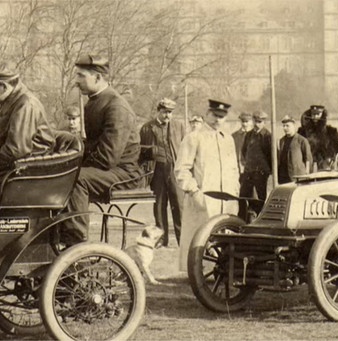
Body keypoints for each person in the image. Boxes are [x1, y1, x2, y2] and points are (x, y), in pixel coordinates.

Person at [61, 54, 143, 246]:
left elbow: (107, 157)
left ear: (97, 78)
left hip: (124, 174)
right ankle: (58, 236)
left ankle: (76, 243)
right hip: (110, 171)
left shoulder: (116, 106)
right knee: (62, 174)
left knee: (76, 178)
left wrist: (75, 165)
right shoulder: (96, 101)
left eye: (81, 76)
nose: (76, 81)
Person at [174, 100, 239, 272]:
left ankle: (223, 270)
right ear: (207, 114)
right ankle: (198, 272)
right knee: (199, 239)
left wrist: (235, 190)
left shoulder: (228, 139)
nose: (218, 120)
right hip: (203, 198)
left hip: (227, 199)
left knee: (224, 236)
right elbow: (182, 169)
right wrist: (194, 191)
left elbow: (234, 169)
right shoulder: (194, 137)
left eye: (222, 117)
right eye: (215, 115)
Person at [139, 98, 187, 247]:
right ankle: (161, 239)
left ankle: (182, 238)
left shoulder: (179, 126)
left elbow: (187, 149)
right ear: (158, 111)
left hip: (174, 169)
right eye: (165, 112)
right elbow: (139, 150)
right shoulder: (147, 128)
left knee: (178, 205)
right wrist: (150, 152)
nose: (168, 115)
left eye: (170, 112)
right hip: (156, 170)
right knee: (159, 205)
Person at [0, 63, 54, 171]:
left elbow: (16, 150)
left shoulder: (26, 104)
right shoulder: (9, 99)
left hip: (31, 164)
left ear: (4, 86)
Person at [239, 110, 272, 215]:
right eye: (255, 121)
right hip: (248, 171)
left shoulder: (267, 136)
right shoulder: (249, 135)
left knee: (260, 197)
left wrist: (267, 170)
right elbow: (244, 151)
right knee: (243, 196)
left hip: (261, 172)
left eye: (259, 122)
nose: (257, 124)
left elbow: (271, 155)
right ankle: (242, 219)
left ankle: (259, 218)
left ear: (264, 122)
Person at [297, 105, 338, 170]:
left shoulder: (331, 132)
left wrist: (331, 157)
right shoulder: (302, 132)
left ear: (323, 115)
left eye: (318, 114)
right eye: (313, 114)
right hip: (307, 164)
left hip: (325, 164)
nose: (315, 117)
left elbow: (336, 148)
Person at [278, 115, 313, 184]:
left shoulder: (302, 140)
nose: (285, 128)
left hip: (297, 177)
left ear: (294, 126)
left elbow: (308, 159)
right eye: (284, 126)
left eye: (287, 126)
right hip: (284, 177)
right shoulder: (281, 141)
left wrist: (306, 175)